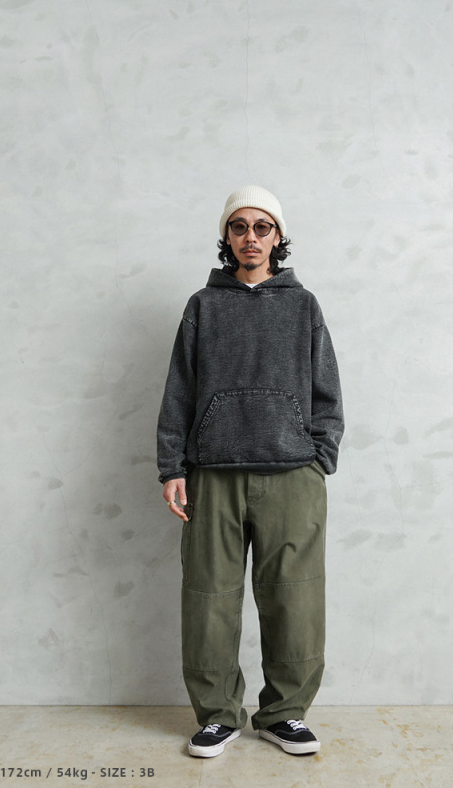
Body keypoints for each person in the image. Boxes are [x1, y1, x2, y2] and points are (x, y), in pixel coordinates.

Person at [156, 185, 344, 758]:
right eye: (239, 227)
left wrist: (319, 456)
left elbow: (327, 392)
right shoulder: (203, 306)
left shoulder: (303, 306)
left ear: (278, 236)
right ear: (227, 237)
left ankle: (285, 714)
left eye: (263, 227)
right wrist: (172, 467)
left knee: (295, 599)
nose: (251, 237)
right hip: (212, 473)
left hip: (292, 474)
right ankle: (218, 716)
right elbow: (179, 392)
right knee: (208, 598)